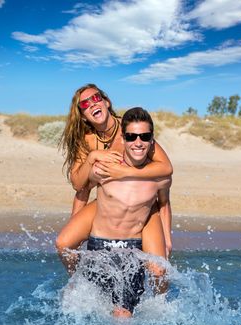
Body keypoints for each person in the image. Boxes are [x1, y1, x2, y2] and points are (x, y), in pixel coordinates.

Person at [56, 84, 173, 275]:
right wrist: (92, 156)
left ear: (106, 102)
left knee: (159, 271)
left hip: (143, 204)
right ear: (82, 115)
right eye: (85, 104)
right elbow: (79, 185)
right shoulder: (85, 141)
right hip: (108, 200)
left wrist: (125, 173)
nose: (92, 104)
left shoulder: (130, 131)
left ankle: (160, 302)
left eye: (95, 98)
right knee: (63, 244)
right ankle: (77, 280)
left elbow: (166, 167)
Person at [84, 107, 171, 317]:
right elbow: (80, 188)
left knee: (122, 317)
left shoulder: (160, 177)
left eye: (145, 136)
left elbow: (164, 204)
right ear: (123, 139)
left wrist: (167, 239)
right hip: (99, 247)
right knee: (91, 310)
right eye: (131, 137)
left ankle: (160, 310)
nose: (138, 142)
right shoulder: (104, 168)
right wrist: (91, 157)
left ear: (152, 140)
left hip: (132, 250)